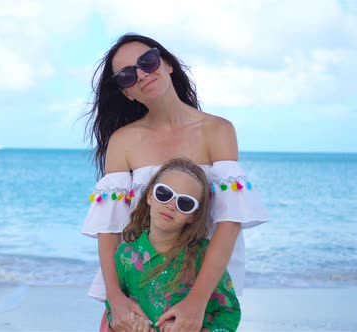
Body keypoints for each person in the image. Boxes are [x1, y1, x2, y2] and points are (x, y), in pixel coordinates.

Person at [81, 33, 269, 332]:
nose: (141, 74)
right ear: (126, 92)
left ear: (167, 64)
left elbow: (230, 221)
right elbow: (110, 230)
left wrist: (197, 302)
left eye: (147, 61)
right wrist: (115, 300)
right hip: (135, 297)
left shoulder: (217, 130)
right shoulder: (123, 141)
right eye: (127, 75)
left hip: (198, 292)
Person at [106, 158, 240, 332]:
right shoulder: (125, 256)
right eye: (164, 193)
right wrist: (131, 324)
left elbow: (229, 312)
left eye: (184, 203)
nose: (171, 205)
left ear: (193, 215)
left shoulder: (204, 256)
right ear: (150, 196)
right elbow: (114, 308)